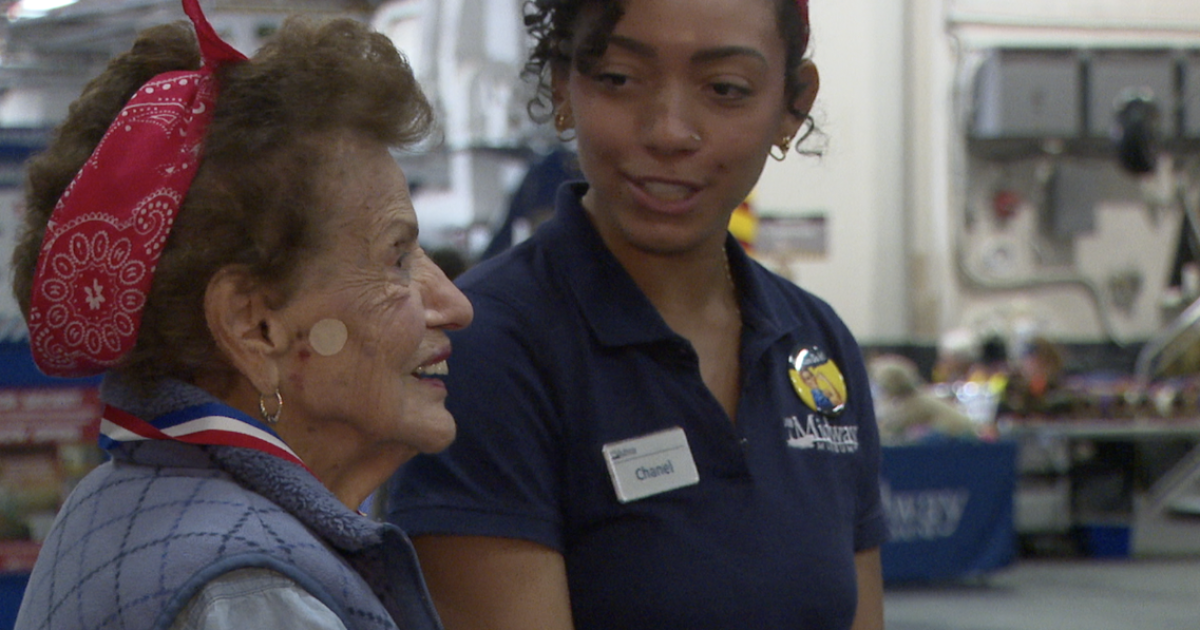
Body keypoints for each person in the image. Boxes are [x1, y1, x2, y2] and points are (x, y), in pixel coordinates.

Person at [387, 0, 886, 629]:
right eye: (619, 79)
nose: (669, 131)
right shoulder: (483, 347)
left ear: (793, 104)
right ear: (561, 86)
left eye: (725, 89)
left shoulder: (814, 344)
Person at [10, 1, 471, 628]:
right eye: (396, 259)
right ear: (257, 329)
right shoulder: (250, 594)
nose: (454, 303)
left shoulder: (118, 502)